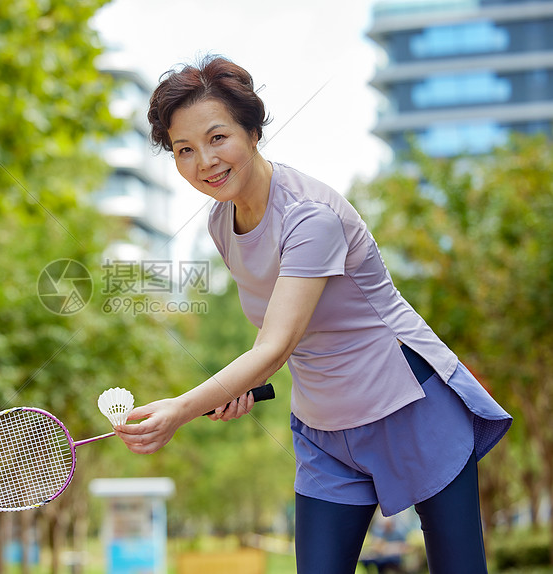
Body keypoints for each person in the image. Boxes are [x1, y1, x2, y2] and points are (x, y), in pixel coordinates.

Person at [113, 55, 512, 574]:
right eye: (184, 150)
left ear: (252, 131)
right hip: (325, 429)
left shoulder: (310, 217)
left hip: (408, 401)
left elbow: (274, 348)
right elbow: (278, 329)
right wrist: (239, 385)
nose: (204, 161)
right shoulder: (220, 222)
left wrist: (181, 409)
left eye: (217, 138)